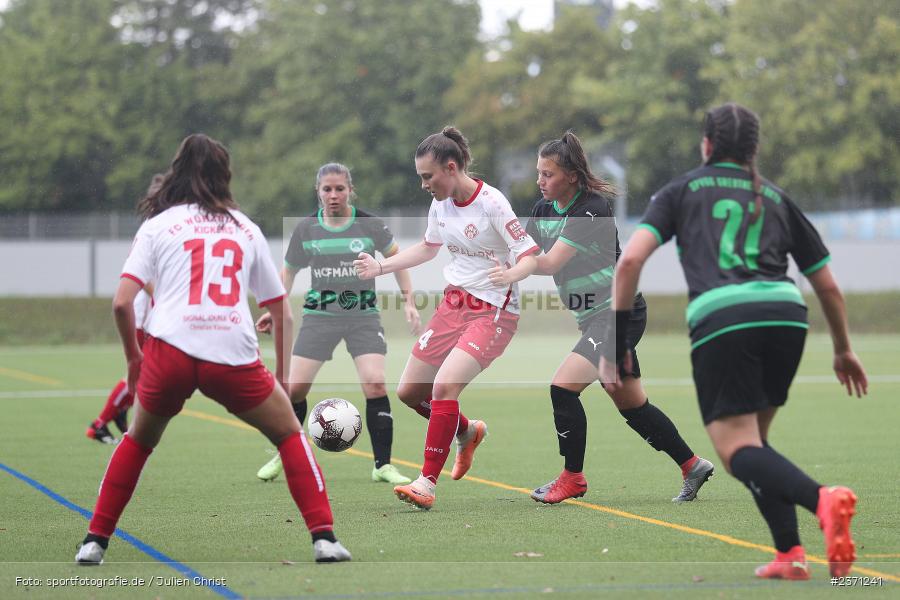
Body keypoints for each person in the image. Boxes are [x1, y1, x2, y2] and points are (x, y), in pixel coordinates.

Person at [604, 103, 867, 580]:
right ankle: (790, 553)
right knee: (755, 444)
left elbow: (629, 263)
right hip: (787, 316)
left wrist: (619, 341)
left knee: (736, 451)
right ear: (754, 149)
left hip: (725, 318)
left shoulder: (682, 190)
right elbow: (827, 286)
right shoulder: (775, 196)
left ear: (706, 145)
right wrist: (843, 349)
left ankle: (822, 500)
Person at [75, 134, 351, 565]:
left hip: (169, 351)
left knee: (137, 442)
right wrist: (282, 379)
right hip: (231, 353)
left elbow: (122, 303)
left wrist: (133, 360)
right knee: (289, 435)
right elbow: (281, 312)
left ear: (177, 172)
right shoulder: (244, 227)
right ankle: (325, 540)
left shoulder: (158, 225)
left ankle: (95, 542)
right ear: (225, 175)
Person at [353, 126, 540, 510]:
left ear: (451, 168)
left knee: (443, 387)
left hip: (493, 311)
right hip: (453, 305)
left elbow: (529, 255)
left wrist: (511, 274)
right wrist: (380, 267)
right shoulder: (440, 205)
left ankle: (426, 483)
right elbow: (427, 248)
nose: (424, 184)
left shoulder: (492, 203)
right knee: (410, 392)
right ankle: (467, 431)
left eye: (428, 176)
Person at [525, 131, 715, 504]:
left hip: (616, 316)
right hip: (593, 319)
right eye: (538, 173)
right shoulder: (542, 211)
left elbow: (548, 263)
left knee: (562, 388)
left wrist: (511, 268)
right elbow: (522, 251)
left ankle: (572, 478)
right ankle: (692, 465)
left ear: (572, 176)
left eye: (548, 174)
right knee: (631, 404)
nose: (540, 181)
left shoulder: (592, 207)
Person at [254, 162, 420, 485]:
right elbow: (288, 273)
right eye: (327, 189)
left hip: (363, 317)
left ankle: (382, 466)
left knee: (375, 383)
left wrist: (409, 301)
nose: (333, 195)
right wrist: (274, 309)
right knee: (295, 389)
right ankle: (284, 454)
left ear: (350, 190)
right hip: (319, 317)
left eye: (340, 189)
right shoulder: (306, 229)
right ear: (318, 192)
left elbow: (398, 261)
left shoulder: (370, 225)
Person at [86, 176, 164, 445]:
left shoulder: (162, 224)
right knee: (141, 373)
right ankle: (99, 423)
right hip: (144, 314)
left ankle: (119, 415)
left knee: (147, 373)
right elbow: (144, 274)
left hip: (149, 313)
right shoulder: (153, 227)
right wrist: (163, 299)